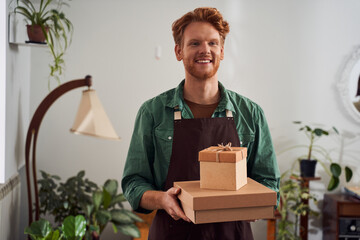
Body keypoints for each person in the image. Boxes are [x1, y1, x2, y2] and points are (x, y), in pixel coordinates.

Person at [121, 7, 280, 240]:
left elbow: (269, 182)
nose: (205, 50)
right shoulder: (153, 112)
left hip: (232, 233)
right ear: (179, 51)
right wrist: (163, 199)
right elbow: (133, 182)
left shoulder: (250, 113)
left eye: (213, 43)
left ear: (222, 51)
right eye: (194, 43)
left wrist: (254, 203)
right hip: (172, 232)